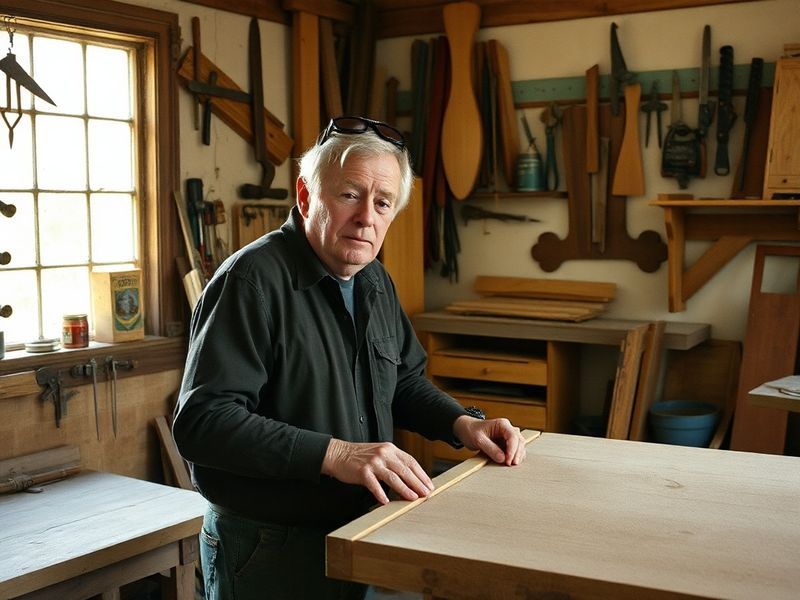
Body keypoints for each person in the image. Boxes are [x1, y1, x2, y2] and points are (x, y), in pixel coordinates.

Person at [172, 116, 527, 600]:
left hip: (354, 533)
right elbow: (203, 423)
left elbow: (401, 382)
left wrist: (463, 425)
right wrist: (337, 454)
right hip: (268, 546)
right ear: (305, 196)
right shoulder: (252, 281)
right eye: (349, 195)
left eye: (382, 203)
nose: (366, 217)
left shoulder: (374, 281)